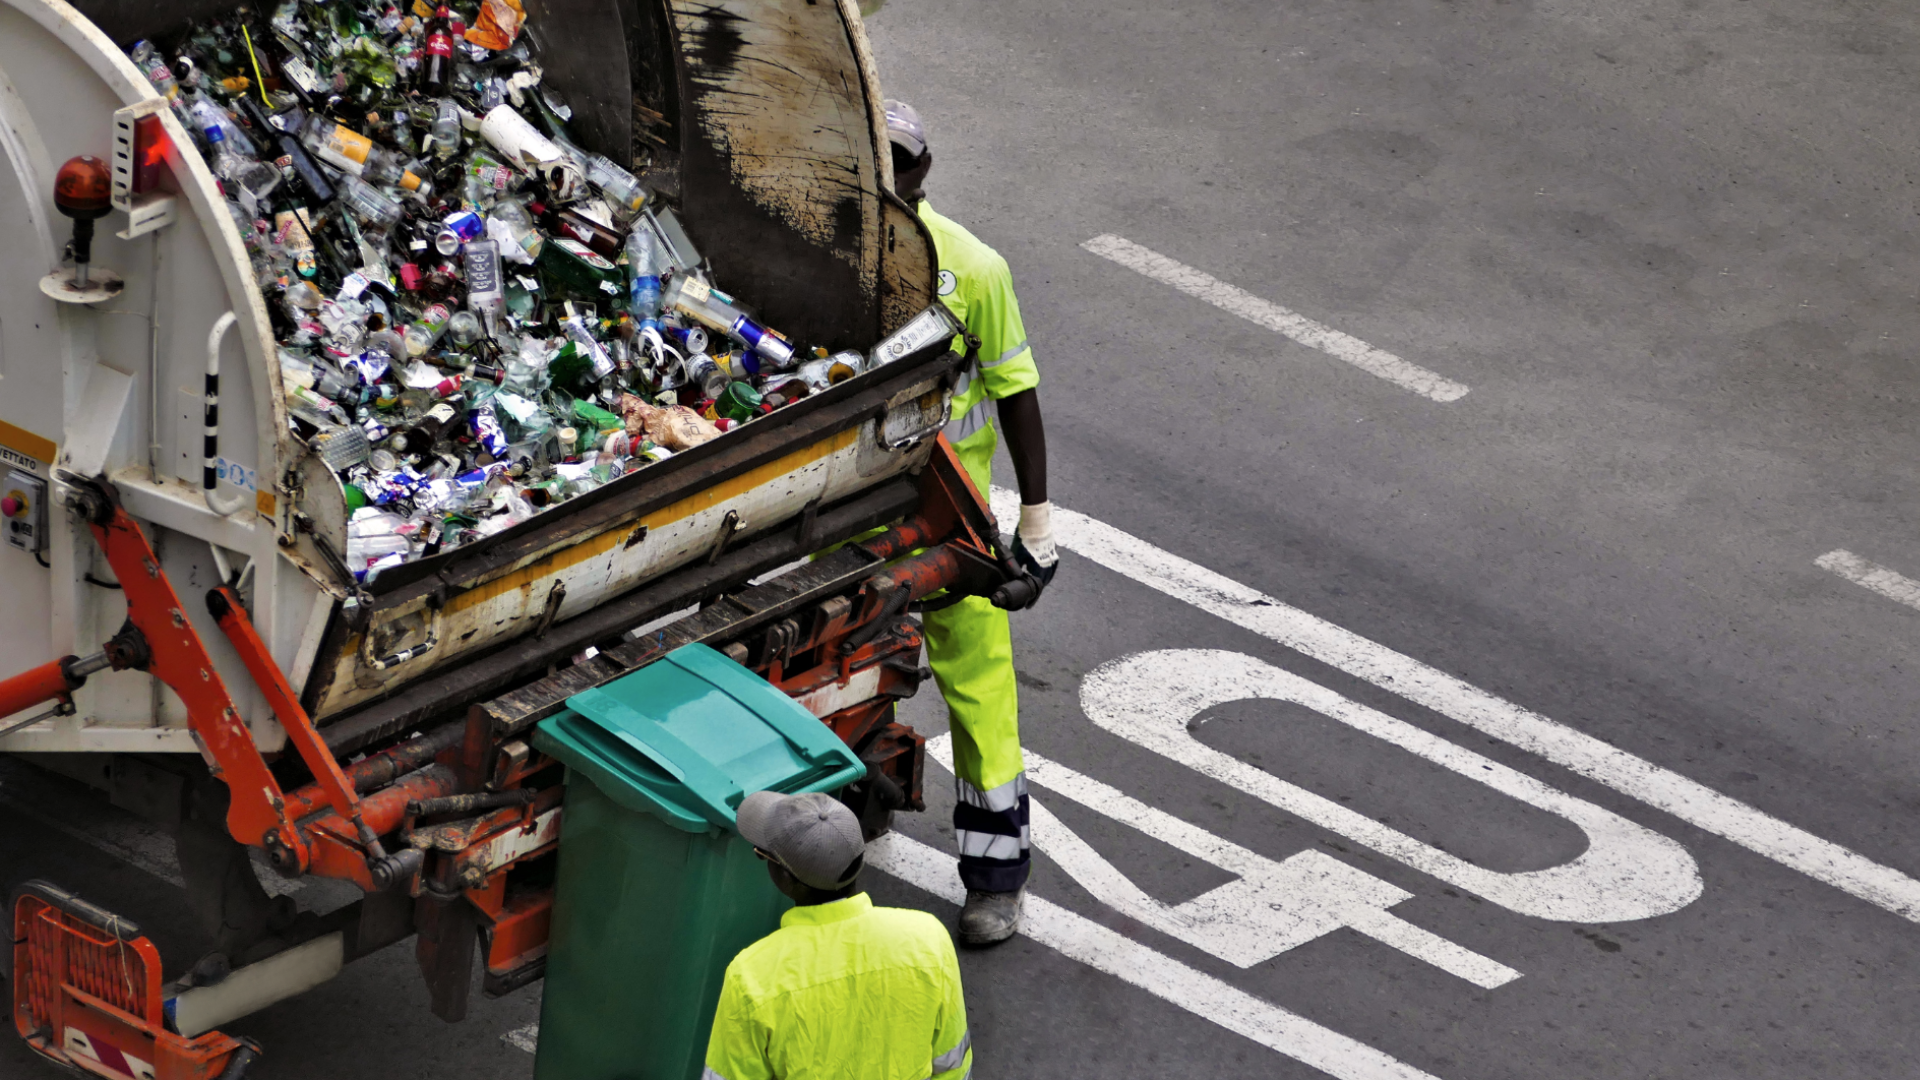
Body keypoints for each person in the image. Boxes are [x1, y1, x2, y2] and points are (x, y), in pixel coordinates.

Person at [884, 99, 1057, 945]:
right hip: (849, 512)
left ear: (924, 168)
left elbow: (1017, 393)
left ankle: (996, 883)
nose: (889, 174)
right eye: (875, 157)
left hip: (950, 518)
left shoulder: (976, 269)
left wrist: (1038, 525)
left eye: (902, 159)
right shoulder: (824, 250)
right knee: (843, 667)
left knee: (981, 698)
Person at [703, 791, 973, 1080]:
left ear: (786, 878)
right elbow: (953, 1064)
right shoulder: (929, 939)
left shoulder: (751, 977)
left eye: (763, 855)